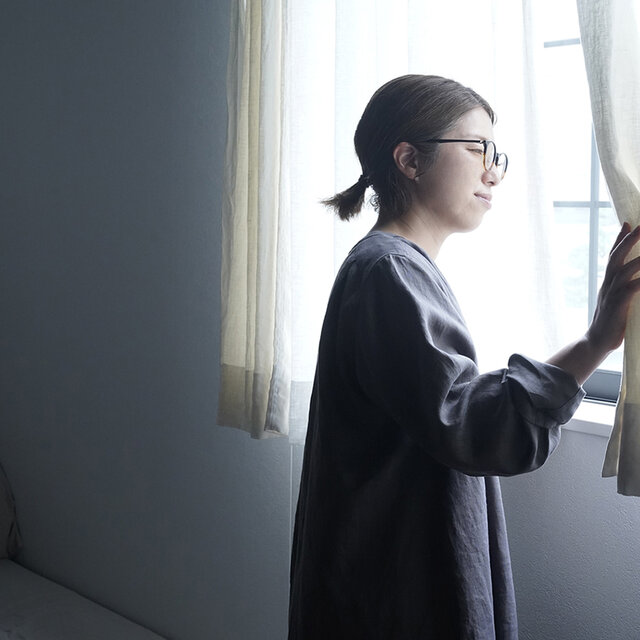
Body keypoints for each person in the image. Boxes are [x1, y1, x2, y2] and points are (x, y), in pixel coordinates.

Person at [287, 75, 640, 640]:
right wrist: (597, 340)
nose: (494, 172)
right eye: (479, 149)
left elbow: (459, 409)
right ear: (410, 160)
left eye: (497, 155)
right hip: (394, 591)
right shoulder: (388, 272)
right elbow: (476, 427)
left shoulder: (395, 267)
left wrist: (593, 342)